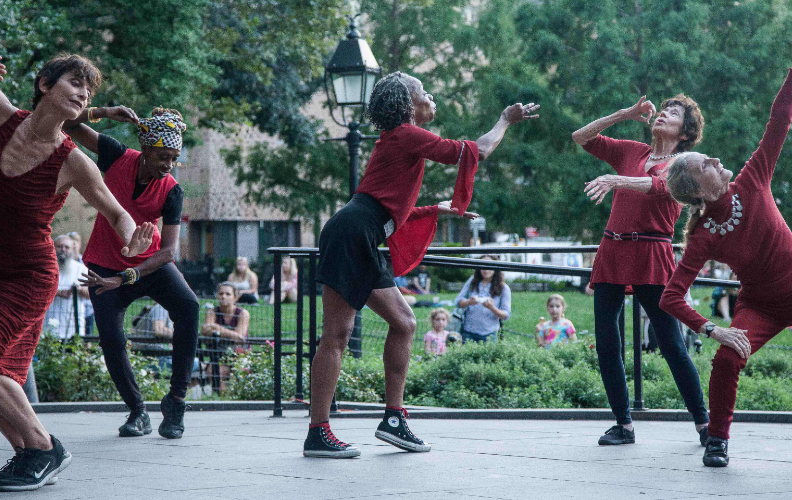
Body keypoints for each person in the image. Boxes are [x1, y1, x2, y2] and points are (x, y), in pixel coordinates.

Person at [304, 70, 538, 459]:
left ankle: (393, 420)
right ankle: (318, 431)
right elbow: (476, 151)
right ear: (409, 104)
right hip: (352, 235)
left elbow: (386, 205)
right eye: (425, 92)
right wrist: (504, 120)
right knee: (337, 335)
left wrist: (436, 210)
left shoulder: (397, 141)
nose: (432, 96)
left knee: (405, 322)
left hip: (358, 233)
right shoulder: (406, 135)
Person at [0, 52, 152, 491]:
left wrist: (131, 241)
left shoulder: (73, 161)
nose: (83, 93)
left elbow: (117, 212)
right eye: (75, 83)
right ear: (45, 84)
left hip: (28, 276)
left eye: (89, 90)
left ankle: (42, 448)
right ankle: (33, 452)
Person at [659, 68, 792, 468]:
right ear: (699, 189)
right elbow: (670, 297)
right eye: (707, 164)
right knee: (726, 359)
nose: (717, 159)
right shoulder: (702, 236)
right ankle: (717, 441)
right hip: (763, 306)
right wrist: (715, 329)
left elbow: (780, 119)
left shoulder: (753, 180)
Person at [573, 92, 710, 447]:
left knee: (671, 344)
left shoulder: (684, 164)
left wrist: (617, 181)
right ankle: (623, 424)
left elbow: (661, 187)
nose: (664, 113)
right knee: (607, 343)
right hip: (613, 249)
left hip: (652, 253)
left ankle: (704, 424)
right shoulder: (633, 151)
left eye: (674, 112)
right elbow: (580, 137)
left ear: (685, 131)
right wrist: (623, 112)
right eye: (663, 108)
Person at [62, 104, 200, 440]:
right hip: (102, 266)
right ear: (146, 149)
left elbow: (168, 251)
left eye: (173, 157)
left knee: (190, 307)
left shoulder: (172, 190)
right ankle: (138, 411)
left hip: (149, 266)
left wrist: (128, 276)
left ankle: (176, 401)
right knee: (112, 340)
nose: (168, 165)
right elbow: (65, 122)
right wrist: (103, 111)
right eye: (162, 156)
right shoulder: (116, 155)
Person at [454, 255, 512, 343]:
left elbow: (506, 315)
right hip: (469, 331)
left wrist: (492, 308)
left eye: (489, 266)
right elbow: (457, 302)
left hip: (489, 334)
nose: (485, 270)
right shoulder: (472, 281)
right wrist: (468, 302)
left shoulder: (503, 288)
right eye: (482, 266)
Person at [42, 235, 89, 339]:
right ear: (53, 247)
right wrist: (58, 293)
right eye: (59, 246)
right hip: (47, 326)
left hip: (73, 326)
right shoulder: (46, 268)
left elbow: (91, 294)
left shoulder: (81, 269)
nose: (63, 250)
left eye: (66, 247)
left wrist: (78, 290)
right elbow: (39, 291)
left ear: (72, 249)